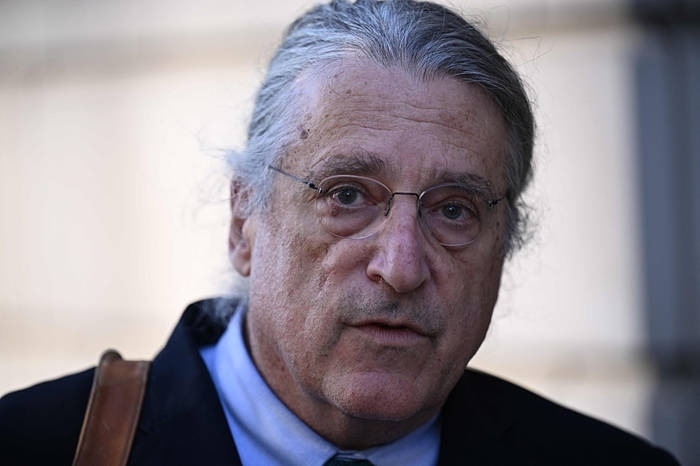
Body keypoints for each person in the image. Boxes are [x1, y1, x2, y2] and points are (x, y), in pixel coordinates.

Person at [0, 1, 680, 465]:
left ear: (504, 244)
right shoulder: (35, 445)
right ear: (244, 221)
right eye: (347, 195)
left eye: (454, 210)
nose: (402, 266)